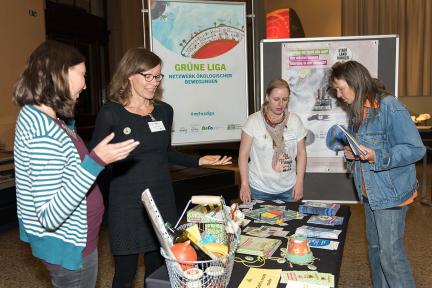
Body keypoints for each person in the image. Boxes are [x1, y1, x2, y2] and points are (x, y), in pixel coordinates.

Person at [88, 47, 232, 287]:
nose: (154, 82)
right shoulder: (111, 113)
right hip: (126, 203)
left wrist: (199, 160)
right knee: (125, 271)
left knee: (159, 268)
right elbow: (95, 159)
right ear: (129, 75)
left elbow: (165, 153)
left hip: (161, 198)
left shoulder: (164, 111)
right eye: (148, 76)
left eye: (158, 76)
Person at [13, 40, 140, 288]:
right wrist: (96, 161)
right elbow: (49, 215)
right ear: (60, 74)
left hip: (76, 240)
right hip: (69, 247)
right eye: (82, 74)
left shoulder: (45, 117)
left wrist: (69, 127)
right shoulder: (43, 132)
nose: (85, 84)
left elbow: (63, 164)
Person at [329, 60, 425, 288]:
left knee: (390, 255)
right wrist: (353, 155)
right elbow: (364, 149)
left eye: (341, 88)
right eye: (336, 91)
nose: (339, 95)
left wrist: (377, 156)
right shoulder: (357, 110)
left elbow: (415, 149)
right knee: (375, 248)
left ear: (355, 82)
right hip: (370, 193)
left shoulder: (389, 106)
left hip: (391, 195)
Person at [239, 78, 307, 203]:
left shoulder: (295, 121)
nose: (280, 104)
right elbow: (243, 155)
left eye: (285, 99)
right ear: (267, 97)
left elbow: (302, 153)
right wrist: (244, 184)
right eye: (276, 99)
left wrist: (300, 182)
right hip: (259, 189)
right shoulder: (253, 121)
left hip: (289, 188)